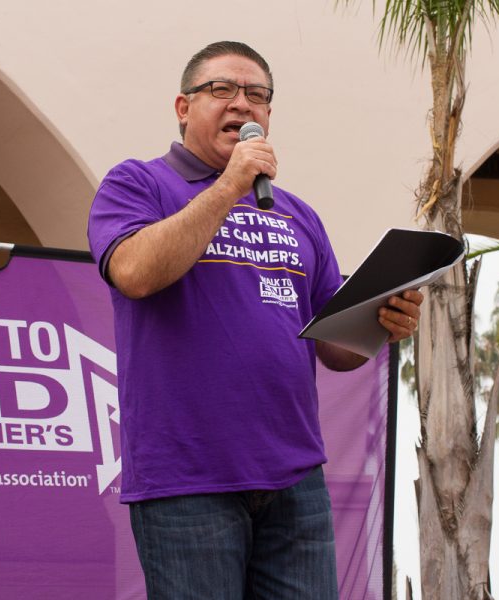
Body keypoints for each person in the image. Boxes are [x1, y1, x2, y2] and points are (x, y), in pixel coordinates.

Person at [87, 41, 423, 600]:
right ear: (183, 106)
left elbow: (335, 349)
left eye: (257, 95)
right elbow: (135, 272)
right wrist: (230, 186)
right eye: (221, 90)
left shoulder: (297, 214)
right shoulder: (137, 185)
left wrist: (382, 320)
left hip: (295, 480)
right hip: (188, 480)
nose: (242, 105)